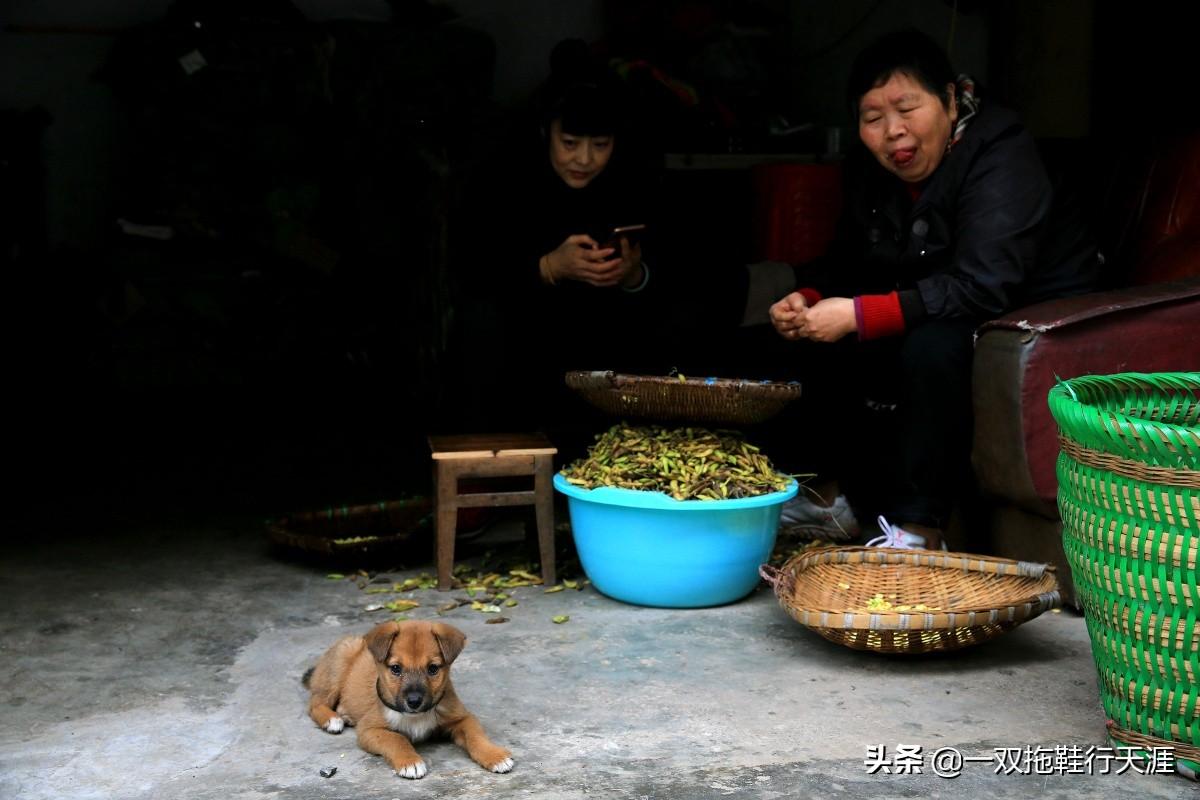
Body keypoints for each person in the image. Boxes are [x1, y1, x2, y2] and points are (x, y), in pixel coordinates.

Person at [762, 30, 1098, 550]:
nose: (893, 132)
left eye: (907, 108)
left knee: (931, 347)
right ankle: (834, 501)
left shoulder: (1000, 152)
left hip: (1021, 311)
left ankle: (920, 529)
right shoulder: (872, 170)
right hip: (943, 300)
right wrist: (807, 299)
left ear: (949, 98)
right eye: (873, 119)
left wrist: (858, 314)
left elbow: (984, 285)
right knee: (814, 340)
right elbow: (849, 260)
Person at [450, 40, 667, 459]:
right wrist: (549, 267)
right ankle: (486, 477)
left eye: (600, 145)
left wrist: (632, 275)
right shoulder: (503, 177)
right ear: (546, 131)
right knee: (483, 330)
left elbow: (663, 268)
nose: (584, 159)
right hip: (521, 333)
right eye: (569, 143)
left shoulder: (631, 180)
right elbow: (473, 269)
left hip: (600, 331)